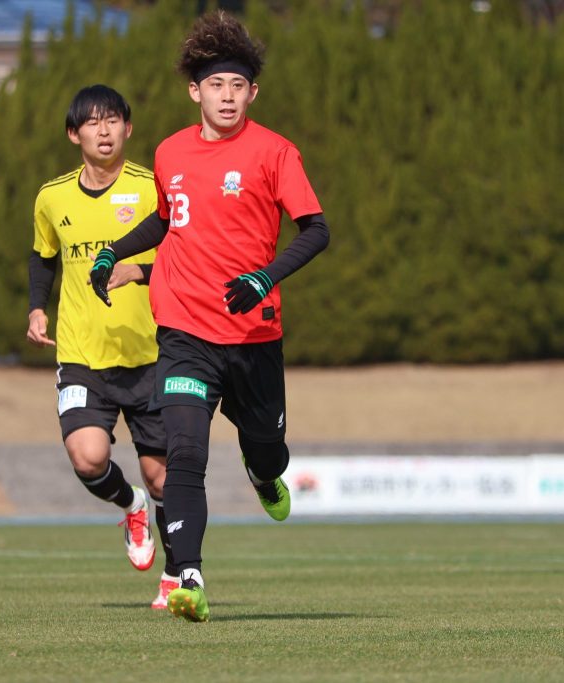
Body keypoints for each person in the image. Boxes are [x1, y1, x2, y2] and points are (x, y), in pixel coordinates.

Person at [89, 11, 330, 622]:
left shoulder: (275, 152)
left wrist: (264, 277)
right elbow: (166, 220)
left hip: (254, 335)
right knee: (184, 454)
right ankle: (188, 577)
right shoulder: (170, 151)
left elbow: (316, 230)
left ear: (253, 93)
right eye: (216, 85)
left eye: (237, 86)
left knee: (268, 450)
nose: (227, 96)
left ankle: (263, 471)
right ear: (195, 91)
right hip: (185, 331)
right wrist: (115, 252)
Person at [27, 85, 180, 609]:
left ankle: (175, 576)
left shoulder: (151, 189)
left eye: (113, 120)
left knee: (162, 478)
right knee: (88, 458)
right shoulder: (52, 197)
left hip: (150, 355)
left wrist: (138, 272)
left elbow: (185, 258)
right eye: (92, 123)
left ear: (128, 128)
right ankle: (130, 505)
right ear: (75, 134)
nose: (104, 130)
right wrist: (36, 307)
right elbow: (43, 255)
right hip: (81, 356)